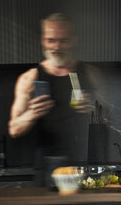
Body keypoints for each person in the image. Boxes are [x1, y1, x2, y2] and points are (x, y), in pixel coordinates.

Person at [8, 13, 98, 174]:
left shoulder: (90, 73)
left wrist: (94, 109)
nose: (56, 47)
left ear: (73, 40)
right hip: (45, 164)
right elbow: (14, 129)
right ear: (43, 40)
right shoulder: (30, 78)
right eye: (51, 40)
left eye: (63, 41)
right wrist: (32, 113)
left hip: (83, 161)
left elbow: (110, 120)